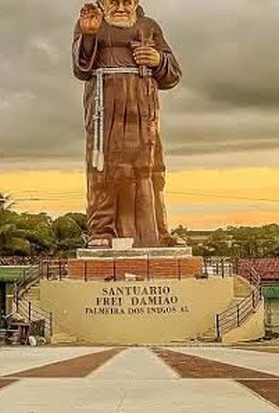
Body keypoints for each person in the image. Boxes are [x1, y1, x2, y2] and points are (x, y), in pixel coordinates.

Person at [73, 0, 183, 248]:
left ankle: (156, 233)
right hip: (105, 107)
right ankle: (102, 230)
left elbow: (173, 74)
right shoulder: (90, 24)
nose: (121, 7)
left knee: (150, 169)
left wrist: (158, 60)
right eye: (114, 1)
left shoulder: (149, 26)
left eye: (127, 1)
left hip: (143, 110)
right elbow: (80, 69)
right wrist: (89, 36)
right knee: (105, 169)